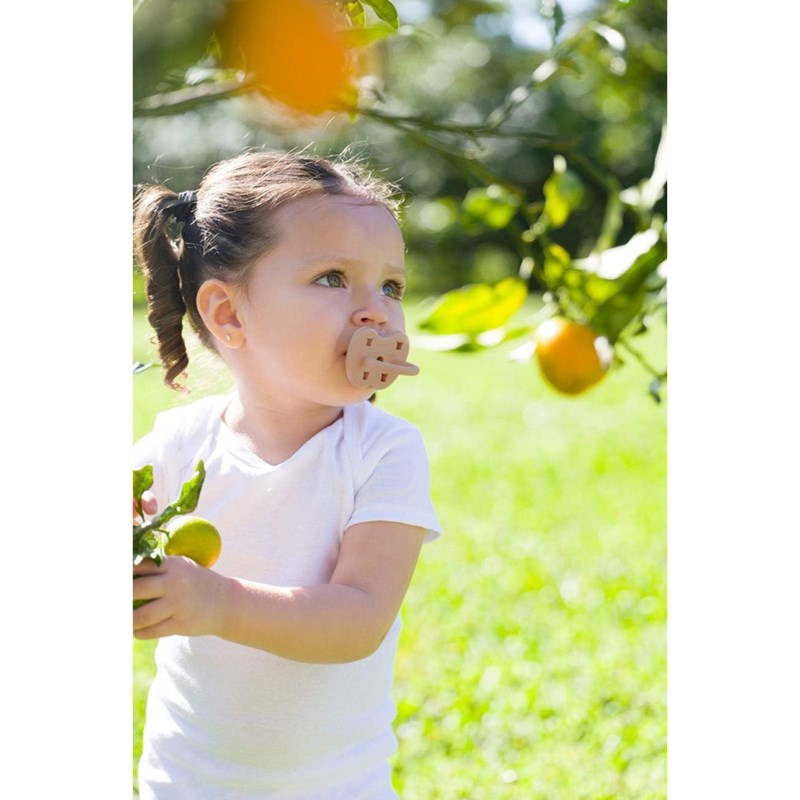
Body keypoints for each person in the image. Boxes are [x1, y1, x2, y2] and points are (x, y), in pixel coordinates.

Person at [132, 149, 441, 799]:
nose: (375, 312)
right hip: (184, 780)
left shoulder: (383, 453)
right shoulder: (176, 445)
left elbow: (359, 618)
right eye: (333, 278)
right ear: (228, 314)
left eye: (391, 287)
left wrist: (215, 603)